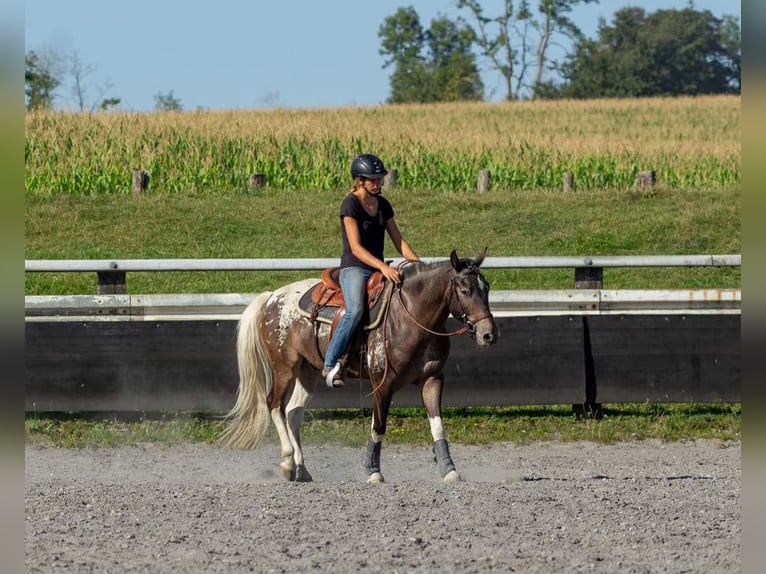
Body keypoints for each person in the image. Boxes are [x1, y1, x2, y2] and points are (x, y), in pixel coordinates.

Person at [322, 153, 420, 388]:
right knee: (355, 309)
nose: (377, 183)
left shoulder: (383, 205)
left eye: (379, 178)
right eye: (372, 179)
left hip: (378, 268)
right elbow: (355, 247)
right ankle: (331, 361)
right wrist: (383, 267)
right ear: (359, 179)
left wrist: (420, 266)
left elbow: (399, 241)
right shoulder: (350, 204)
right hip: (356, 268)